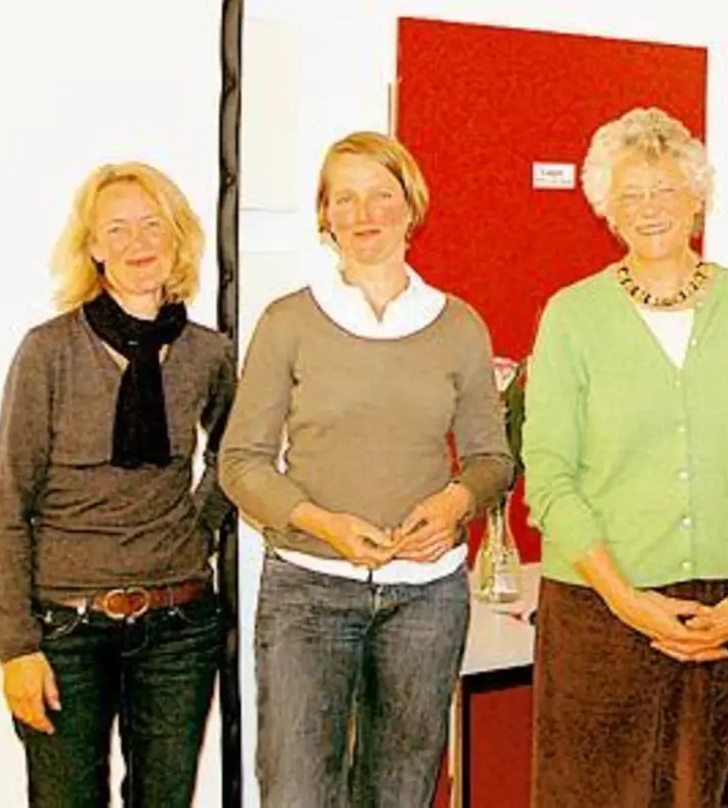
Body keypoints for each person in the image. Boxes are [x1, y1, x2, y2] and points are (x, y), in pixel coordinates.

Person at [219, 131, 513, 806]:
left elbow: (491, 459)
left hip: (426, 600)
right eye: (343, 198)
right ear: (324, 217)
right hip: (307, 592)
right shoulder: (288, 321)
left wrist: (455, 504)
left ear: (412, 206)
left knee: (402, 794)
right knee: (297, 793)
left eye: (381, 194)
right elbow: (241, 462)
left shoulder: (457, 325)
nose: (363, 213)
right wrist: (322, 524)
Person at [521, 106, 728, 807]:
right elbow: (548, 477)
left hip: (720, 606)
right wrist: (628, 601)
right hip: (597, 604)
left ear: (698, 198)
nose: (650, 210)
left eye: (665, 190)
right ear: (606, 209)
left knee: (697, 795)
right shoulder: (572, 315)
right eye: (631, 194)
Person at [0, 162, 235, 806]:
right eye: (116, 229)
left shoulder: (209, 355)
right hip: (66, 631)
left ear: (177, 237)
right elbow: (11, 503)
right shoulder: (48, 352)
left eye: (152, 225)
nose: (137, 243)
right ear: (93, 247)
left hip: (180, 627)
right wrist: (16, 648)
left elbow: (239, 456)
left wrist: (198, 523)